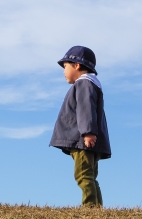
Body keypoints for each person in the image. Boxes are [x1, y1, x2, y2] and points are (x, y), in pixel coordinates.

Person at [49, 46, 111, 207]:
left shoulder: (84, 83)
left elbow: (85, 108)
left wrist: (87, 132)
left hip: (82, 139)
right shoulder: (90, 84)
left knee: (83, 175)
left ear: (77, 65)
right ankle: (96, 207)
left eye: (65, 67)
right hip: (86, 138)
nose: (64, 71)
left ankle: (90, 206)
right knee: (89, 175)